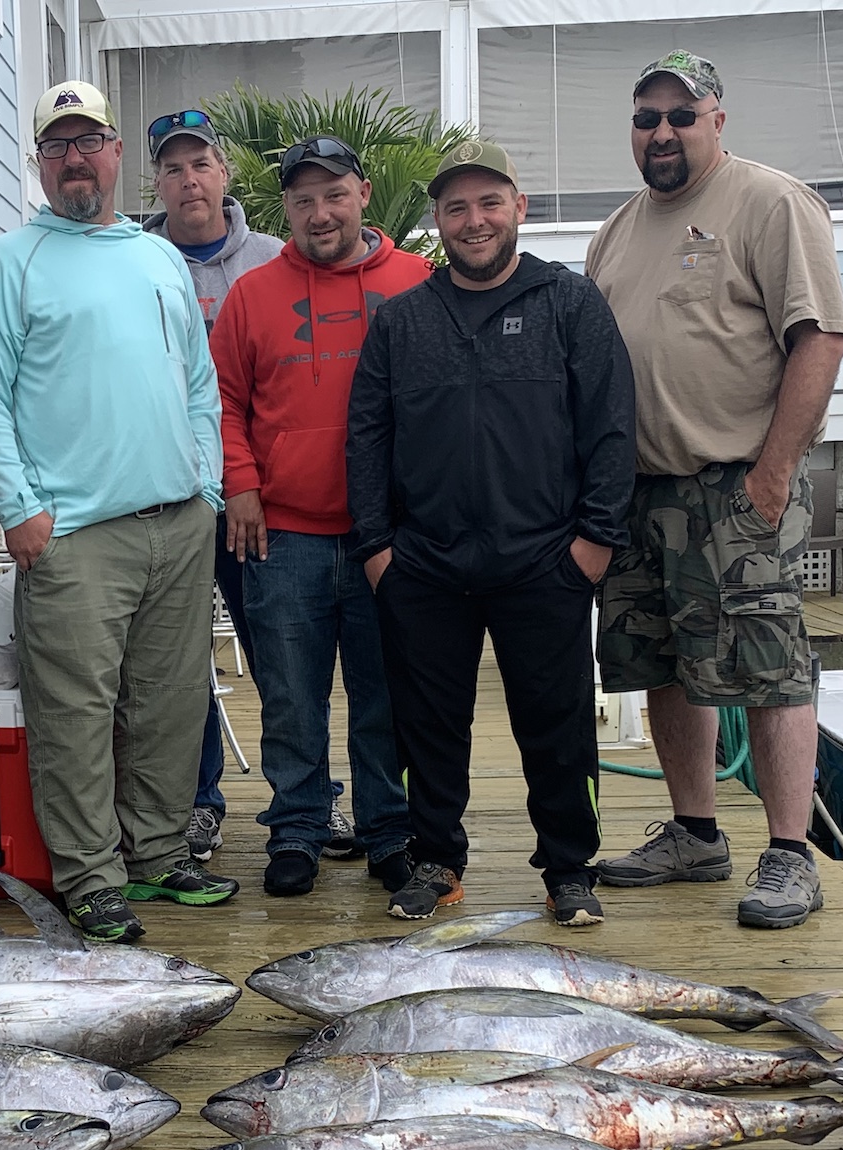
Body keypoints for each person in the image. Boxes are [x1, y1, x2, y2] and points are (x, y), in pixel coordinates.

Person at [0, 80, 235, 943]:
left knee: (168, 700)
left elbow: (196, 379)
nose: (76, 159)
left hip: (177, 517)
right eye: (58, 146)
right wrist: (18, 508)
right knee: (75, 712)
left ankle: (157, 856)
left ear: (117, 155)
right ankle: (89, 875)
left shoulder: (156, 257)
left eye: (90, 142)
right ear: (41, 163)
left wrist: (209, 483)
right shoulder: (14, 261)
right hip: (72, 533)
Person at [584, 52, 843, 930]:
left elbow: (819, 339)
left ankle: (790, 854)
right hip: (638, 490)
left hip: (738, 481)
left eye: (681, 115)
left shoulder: (770, 202)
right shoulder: (616, 232)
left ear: (717, 121)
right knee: (658, 663)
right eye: (645, 117)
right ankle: (695, 834)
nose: (662, 132)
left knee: (771, 669)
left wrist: (775, 472)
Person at [346, 140, 636, 925]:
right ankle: (435, 859)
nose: (474, 221)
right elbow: (366, 439)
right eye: (456, 208)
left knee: (558, 726)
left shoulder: (570, 305)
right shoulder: (403, 321)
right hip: (426, 566)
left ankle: (569, 868)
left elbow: (611, 429)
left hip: (545, 559)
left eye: (489, 203)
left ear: (520, 208)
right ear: (437, 221)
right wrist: (378, 550)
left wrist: (593, 545)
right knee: (427, 725)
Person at [212, 136, 429, 898]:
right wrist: (240, 483)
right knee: (289, 697)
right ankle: (298, 828)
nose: (319, 212)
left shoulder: (416, 283)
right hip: (285, 533)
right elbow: (226, 403)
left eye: (333, 194)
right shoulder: (253, 296)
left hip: (388, 538)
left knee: (384, 696)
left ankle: (388, 830)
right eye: (302, 200)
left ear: (363, 194)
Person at [138, 109, 283, 864]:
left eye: (200, 165)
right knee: (180, 661)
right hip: (172, 498)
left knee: (277, 653)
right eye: (172, 169)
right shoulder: (134, 259)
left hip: (261, 498)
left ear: (224, 175)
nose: (188, 180)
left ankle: (304, 798)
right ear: (156, 183)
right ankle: (198, 803)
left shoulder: (274, 260)